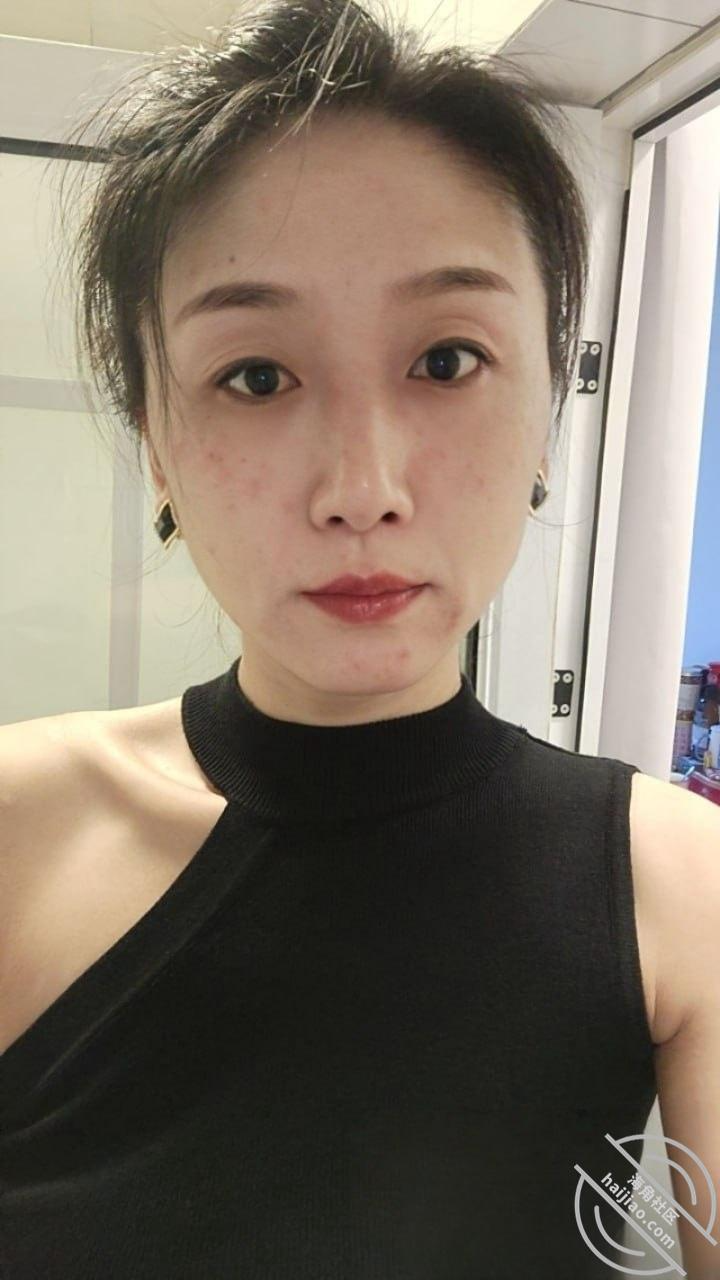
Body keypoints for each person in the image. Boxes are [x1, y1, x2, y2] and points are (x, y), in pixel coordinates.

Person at [1, 1, 719, 1276]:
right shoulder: (17, 830)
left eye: (446, 360)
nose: (362, 488)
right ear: (158, 443)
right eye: (256, 375)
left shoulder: (680, 886)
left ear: (547, 414)